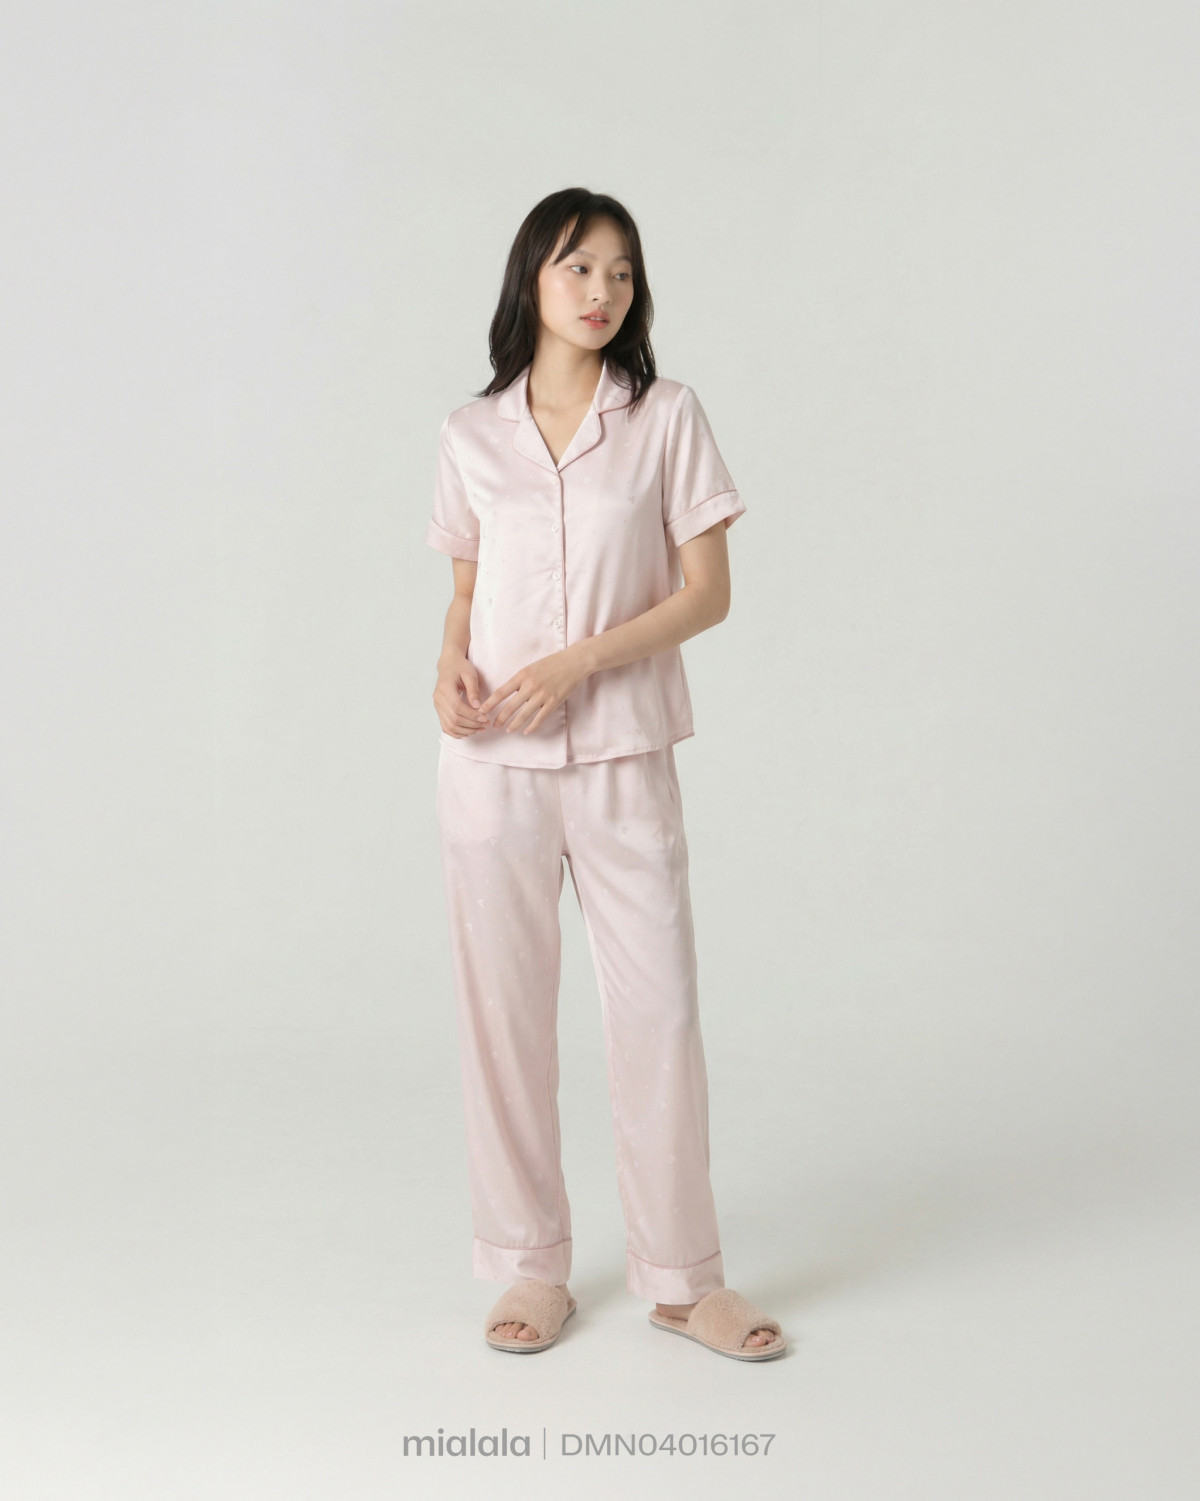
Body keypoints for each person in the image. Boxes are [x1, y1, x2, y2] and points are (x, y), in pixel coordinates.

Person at [426, 188, 786, 1362]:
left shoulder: (665, 416)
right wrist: (446, 665)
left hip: (623, 750)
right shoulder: (471, 434)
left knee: (657, 1011)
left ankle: (685, 1279)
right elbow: (467, 589)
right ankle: (530, 1264)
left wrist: (578, 662)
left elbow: (707, 594)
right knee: (503, 1016)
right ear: (531, 278)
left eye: (622, 272)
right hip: (491, 759)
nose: (602, 291)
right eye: (580, 267)